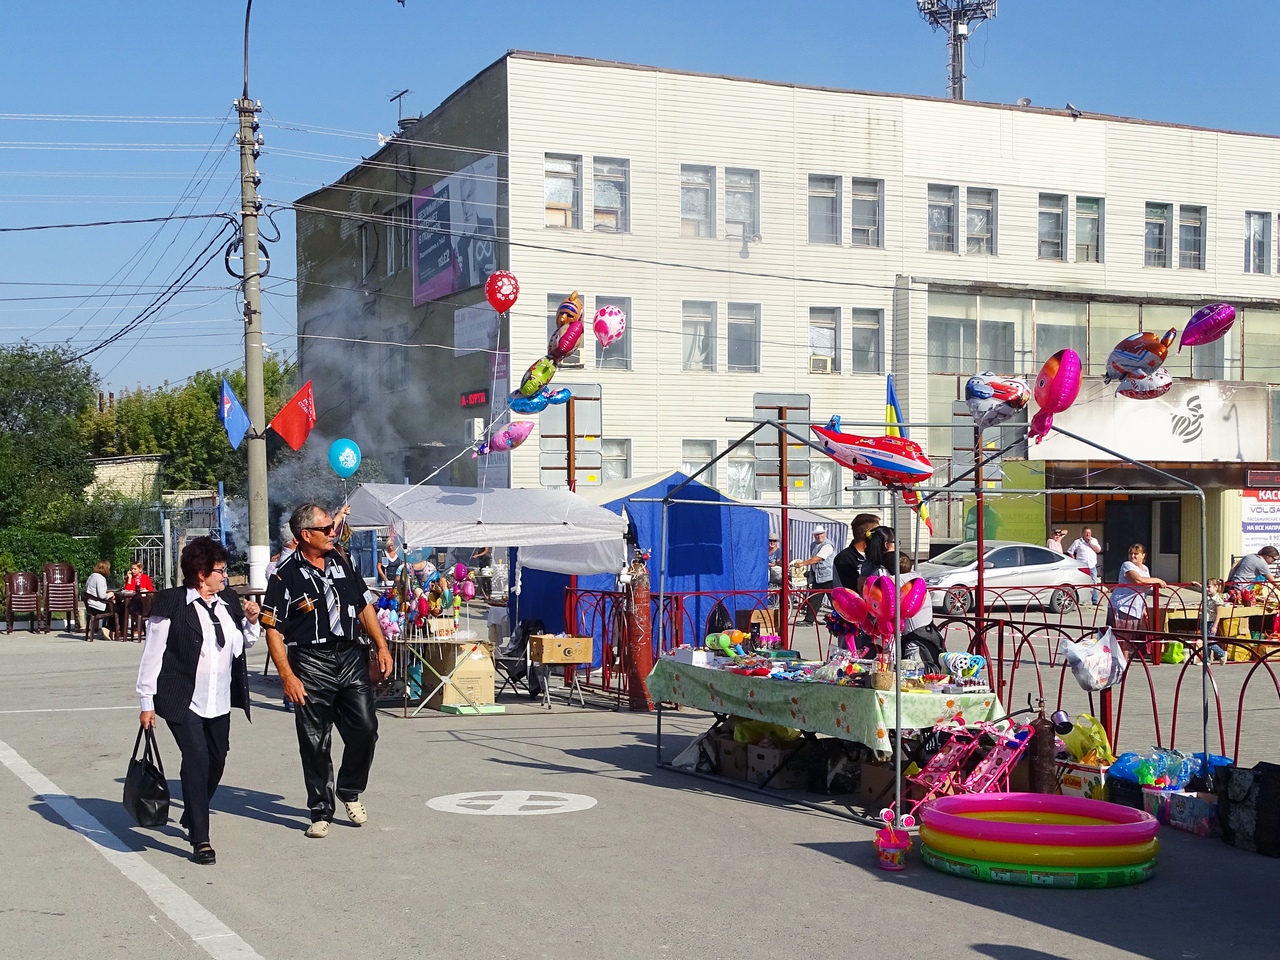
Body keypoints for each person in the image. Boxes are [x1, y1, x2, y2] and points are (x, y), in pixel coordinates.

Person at [261, 503, 394, 839]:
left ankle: (349, 789)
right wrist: (288, 676)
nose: (333, 531)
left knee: (366, 727)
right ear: (305, 535)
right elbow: (273, 630)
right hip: (310, 661)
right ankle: (320, 810)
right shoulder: (285, 575)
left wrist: (381, 646)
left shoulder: (341, 561)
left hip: (349, 656)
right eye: (326, 528)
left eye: (332, 526)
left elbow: (362, 605)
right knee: (315, 740)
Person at [136, 537, 260, 866]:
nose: (226, 575)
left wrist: (250, 620)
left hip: (219, 699)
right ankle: (200, 838)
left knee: (217, 758)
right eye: (221, 570)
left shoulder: (229, 601)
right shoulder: (172, 602)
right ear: (201, 574)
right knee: (197, 759)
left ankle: (192, 809)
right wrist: (146, 700)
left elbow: (241, 645)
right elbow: (152, 654)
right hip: (182, 698)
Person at [858, 527, 944, 668]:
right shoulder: (886, 574)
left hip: (897, 633)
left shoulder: (869, 567)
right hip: (902, 633)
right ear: (887, 545)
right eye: (896, 542)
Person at [1109, 543, 1167, 635]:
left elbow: (1145, 588)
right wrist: (1157, 580)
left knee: (1132, 641)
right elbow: (1138, 580)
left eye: (1136, 554)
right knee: (1122, 641)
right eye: (1130, 554)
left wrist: (1143, 607)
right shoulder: (1127, 565)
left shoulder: (1145, 568)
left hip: (1135, 608)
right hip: (1122, 607)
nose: (1132, 556)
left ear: (1143, 555)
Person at [796, 526, 836, 624]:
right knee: (814, 598)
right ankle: (809, 620)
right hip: (818, 577)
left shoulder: (827, 545)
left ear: (825, 534)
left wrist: (802, 564)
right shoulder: (813, 545)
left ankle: (842, 619)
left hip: (828, 577)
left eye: (821, 534)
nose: (819, 536)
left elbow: (818, 558)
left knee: (834, 600)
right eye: (817, 534)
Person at [834, 513, 881, 590]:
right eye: (877, 533)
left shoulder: (875, 555)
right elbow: (852, 589)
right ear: (868, 534)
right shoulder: (844, 559)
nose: (880, 536)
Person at [1067, 527, 1103, 605]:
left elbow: (1098, 550)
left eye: (1089, 533)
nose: (1088, 534)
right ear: (1083, 533)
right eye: (1086, 533)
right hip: (1082, 566)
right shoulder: (1078, 542)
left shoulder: (1094, 541)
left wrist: (1090, 544)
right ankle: (1081, 600)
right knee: (1082, 583)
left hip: (1092, 565)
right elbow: (1070, 551)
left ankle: (1095, 600)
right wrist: (1075, 561)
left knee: (1094, 583)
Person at [123, 562, 156, 641]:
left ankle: (138, 627)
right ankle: (137, 627)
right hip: (133, 599)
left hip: (144, 600)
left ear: (140, 569)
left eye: (135, 569)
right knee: (133, 604)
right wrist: (130, 578)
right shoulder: (130, 578)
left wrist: (145, 590)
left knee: (138, 605)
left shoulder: (145, 578)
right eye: (132, 569)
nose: (133, 571)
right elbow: (128, 589)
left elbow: (151, 590)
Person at [85, 560, 117, 641]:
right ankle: (109, 629)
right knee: (117, 609)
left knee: (113, 607)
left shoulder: (91, 576)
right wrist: (110, 595)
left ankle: (109, 629)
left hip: (90, 605)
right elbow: (102, 595)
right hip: (97, 606)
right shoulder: (100, 578)